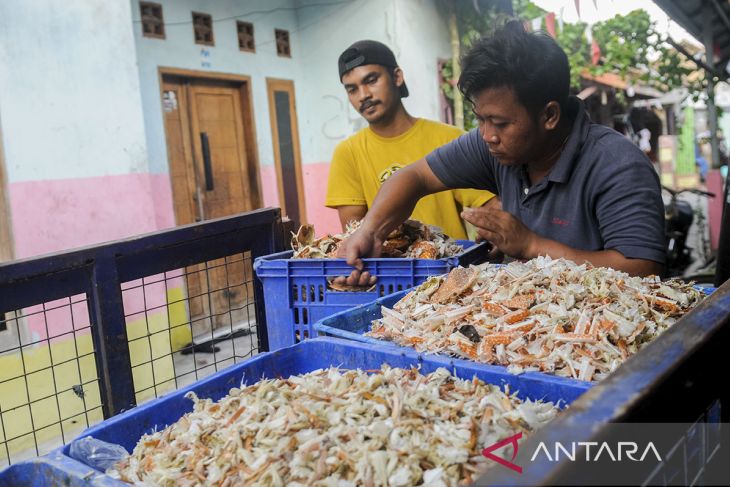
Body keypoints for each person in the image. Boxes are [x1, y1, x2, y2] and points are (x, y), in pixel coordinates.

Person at [339, 22, 665, 284]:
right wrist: (370, 231)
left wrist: (531, 245)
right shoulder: (494, 145)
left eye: (499, 123)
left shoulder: (616, 165)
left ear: (549, 115)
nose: (487, 135)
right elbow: (414, 176)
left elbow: (643, 268)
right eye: (480, 119)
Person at [326, 40, 494, 240]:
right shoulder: (348, 153)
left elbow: (490, 209)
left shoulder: (448, 138)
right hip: (388, 270)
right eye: (352, 89)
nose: (363, 95)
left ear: (397, 77)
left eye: (371, 80)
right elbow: (354, 233)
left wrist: (491, 237)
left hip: (451, 266)